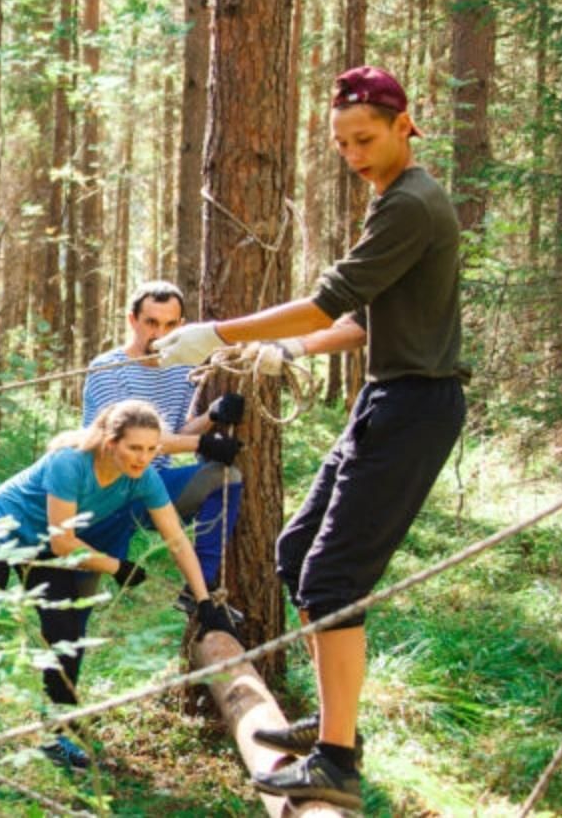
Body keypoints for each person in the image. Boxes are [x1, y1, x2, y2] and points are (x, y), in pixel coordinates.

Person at [153, 66, 465, 809]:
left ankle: (337, 761)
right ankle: (336, 727)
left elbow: (330, 301)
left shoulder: (413, 203)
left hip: (414, 408)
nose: (353, 153)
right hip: (387, 398)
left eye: (364, 138)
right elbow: (365, 322)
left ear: (402, 124)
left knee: (332, 582)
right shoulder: (392, 199)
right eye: (341, 143)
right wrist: (291, 351)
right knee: (298, 554)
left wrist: (217, 333)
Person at [0, 400, 237, 769]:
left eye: (151, 449)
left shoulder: (143, 477)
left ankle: (55, 736)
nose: (143, 458)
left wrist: (205, 602)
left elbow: (177, 540)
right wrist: (116, 567)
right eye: (134, 448)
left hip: (45, 546)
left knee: (66, 637)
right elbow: (64, 543)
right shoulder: (70, 463)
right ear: (109, 442)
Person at [81, 280, 246, 613]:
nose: (159, 334)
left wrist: (210, 417)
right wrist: (203, 442)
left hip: (153, 490)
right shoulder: (107, 369)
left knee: (226, 477)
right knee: (77, 606)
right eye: (151, 323)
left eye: (170, 325)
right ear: (132, 321)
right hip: (105, 496)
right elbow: (131, 443)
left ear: (181, 327)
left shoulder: (182, 369)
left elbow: (175, 431)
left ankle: (201, 586)